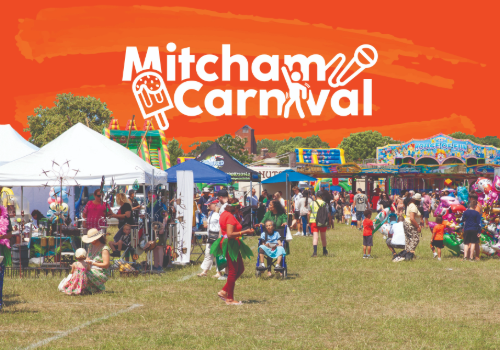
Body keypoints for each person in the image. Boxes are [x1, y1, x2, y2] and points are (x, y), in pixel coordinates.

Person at [211, 198, 254, 305]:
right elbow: (230, 234)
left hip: (230, 243)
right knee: (233, 271)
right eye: (238, 208)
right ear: (234, 207)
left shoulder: (224, 214)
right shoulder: (229, 216)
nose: (239, 209)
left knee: (240, 269)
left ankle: (224, 291)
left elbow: (229, 229)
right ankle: (229, 299)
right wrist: (245, 232)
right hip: (230, 244)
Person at [82, 228, 111, 293]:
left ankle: (100, 287)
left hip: (102, 272)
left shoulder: (104, 249)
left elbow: (106, 265)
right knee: (80, 271)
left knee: (86, 273)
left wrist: (92, 263)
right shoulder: (90, 246)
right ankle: (93, 289)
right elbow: (87, 258)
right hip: (90, 269)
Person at [395, 193, 422, 262]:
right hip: (410, 224)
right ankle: (407, 253)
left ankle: (407, 255)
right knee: (415, 239)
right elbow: (412, 218)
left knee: (408, 240)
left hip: (406, 223)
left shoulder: (410, 204)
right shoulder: (413, 207)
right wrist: (418, 226)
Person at [198, 202, 221, 277]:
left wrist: (220, 237)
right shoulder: (210, 213)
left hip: (217, 235)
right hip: (210, 235)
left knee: (218, 254)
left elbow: (220, 225)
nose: (208, 206)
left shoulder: (220, 213)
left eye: (209, 204)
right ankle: (205, 271)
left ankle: (219, 272)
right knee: (208, 253)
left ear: (215, 204)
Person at [309, 190, 329, 257]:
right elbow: (328, 214)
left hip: (314, 221)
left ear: (316, 196)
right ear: (322, 196)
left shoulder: (312, 203)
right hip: (323, 222)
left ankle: (315, 252)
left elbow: (309, 213)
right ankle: (324, 251)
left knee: (315, 237)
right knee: (323, 237)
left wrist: (309, 221)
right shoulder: (325, 203)